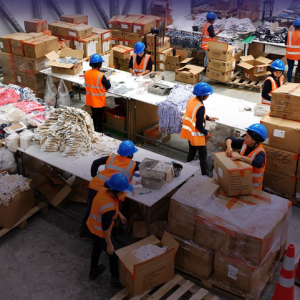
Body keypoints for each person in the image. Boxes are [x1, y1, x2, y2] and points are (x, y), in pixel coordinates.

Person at [80, 140, 139, 237]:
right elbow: (146, 166)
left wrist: (94, 175)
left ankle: (84, 229)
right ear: (131, 155)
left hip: (95, 186)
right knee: (111, 211)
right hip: (111, 190)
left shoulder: (111, 157)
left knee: (91, 208)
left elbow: (95, 163)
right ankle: (108, 232)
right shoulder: (133, 164)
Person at [87, 173, 133, 287]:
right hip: (101, 234)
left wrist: (119, 214)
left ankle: (93, 270)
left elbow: (109, 207)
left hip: (91, 228)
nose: (123, 193)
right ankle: (115, 279)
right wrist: (109, 245)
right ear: (115, 191)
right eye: (122, 191)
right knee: (113, 255)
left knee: (96, 248)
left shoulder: (103, 191)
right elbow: (106, 228)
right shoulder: (109, 208)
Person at [180, 82, 219, 176]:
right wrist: (206, 133)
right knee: (203, 156)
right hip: (197, 134)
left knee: (191, 152)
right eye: (207, 95)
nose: (208, 96)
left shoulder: (192, 100)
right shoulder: (200, 107)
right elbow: (199, 126)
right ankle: (204, 173)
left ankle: (187, 169)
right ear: (203, 96)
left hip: (190, 133)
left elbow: (194, 115)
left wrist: (208, 117)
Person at [225, 123, 267, 190]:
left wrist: (241, 157)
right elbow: (229, 139)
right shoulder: (245, 143)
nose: (244, 138)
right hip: (242, 183)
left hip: (253, 188)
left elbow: (258, 163)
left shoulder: (260, 152)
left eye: (247, 137)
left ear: (254, 141)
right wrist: (229, 147)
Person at [85, 53, 111, 133]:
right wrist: (108, 81)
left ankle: (92, 130)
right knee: (99, 118)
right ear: (99, 65)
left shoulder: (86, 73)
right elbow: (108, 86)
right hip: (99, 101)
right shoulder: (101, 75)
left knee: (94, 116)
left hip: (91, 99)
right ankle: (99, 133)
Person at [285, 17, 300, 82]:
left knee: (290, 68)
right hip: (299, 55)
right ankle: (298, 74)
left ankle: (289, 81)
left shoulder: (289, 33)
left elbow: (285, 42)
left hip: (290, 54)